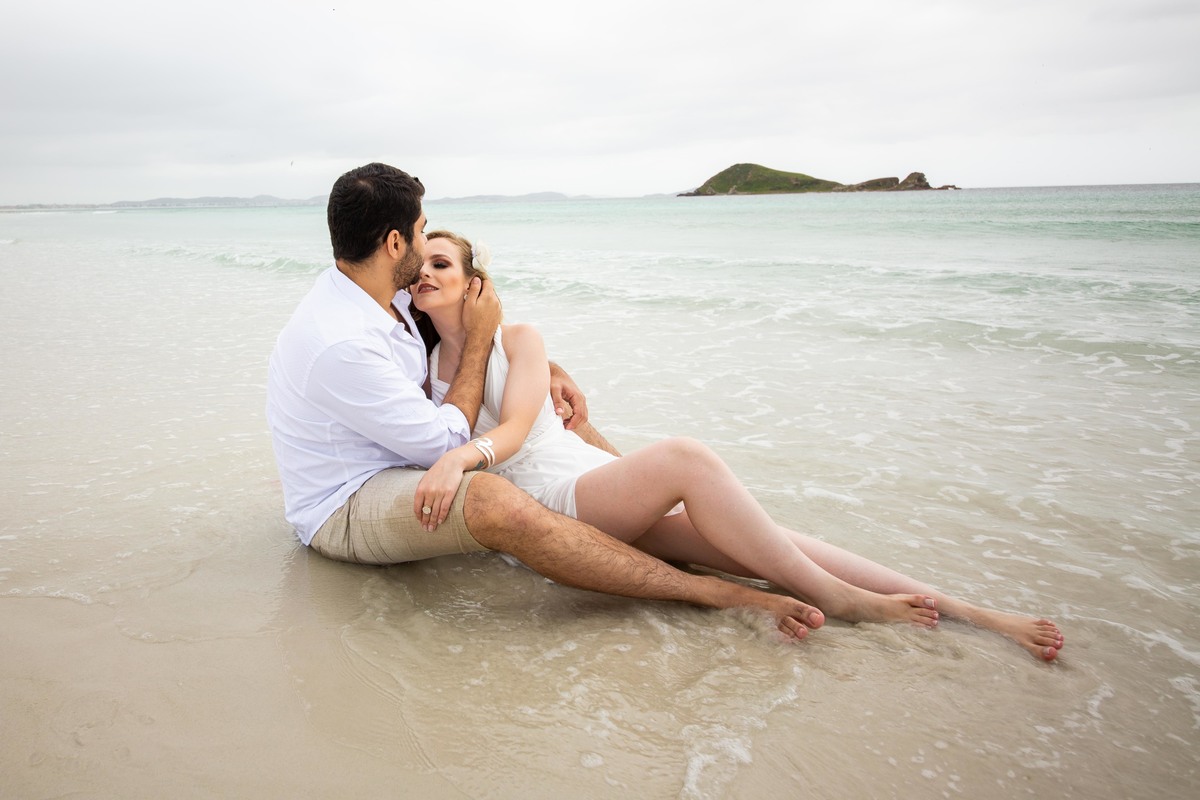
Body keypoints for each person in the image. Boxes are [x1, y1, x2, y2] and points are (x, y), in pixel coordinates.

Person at [410, 230, 1066, 662]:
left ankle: (969, 612)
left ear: (475, 282)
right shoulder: (425, 366)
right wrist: (456, 455)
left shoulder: (521, 339)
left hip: (591, 481)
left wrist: (461, 455)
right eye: (421, 267)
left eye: (444, 264)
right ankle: (840, 600)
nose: (427, 275)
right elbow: (489, 443)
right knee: (686, 459)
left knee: (767, 544)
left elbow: (518, 424)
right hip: (553, 505)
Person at [266, 162, 827, 641]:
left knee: (582, 443)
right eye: (419, 232)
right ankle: (708, 593)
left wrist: (541, 367)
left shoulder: (382, 295)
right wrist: (484, 341)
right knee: (494, 500)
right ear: (394, 245)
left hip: (411, 456)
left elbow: (464, 329)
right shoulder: (341, 340)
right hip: (344, 502)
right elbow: (445, 439)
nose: (423, 244)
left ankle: (688, 527)